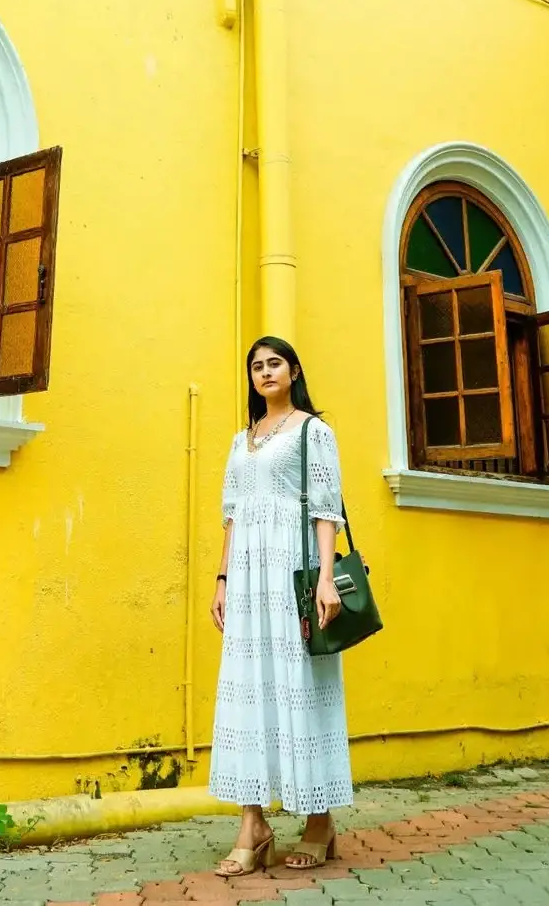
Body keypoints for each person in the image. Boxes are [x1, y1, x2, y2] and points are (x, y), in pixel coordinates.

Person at [208, 337, 353, 877]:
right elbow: (233, 516)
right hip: (247, 580)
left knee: (303, 686)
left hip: (292, 576)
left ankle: (320, 822)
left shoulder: (314, 432)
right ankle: (253, 824)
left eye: (274, 364)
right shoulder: (239, 440)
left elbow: (325, 510)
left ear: (293, 371)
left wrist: (325, 580)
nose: (265, 372)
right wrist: (222, 579)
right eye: (256, 366)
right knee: (246, 690)